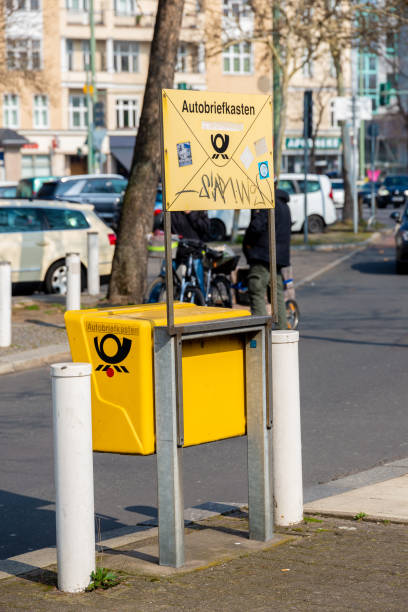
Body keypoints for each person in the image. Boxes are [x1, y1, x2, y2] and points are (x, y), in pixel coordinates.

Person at [243, 186, 292, 328]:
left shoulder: (265, 201)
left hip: (262, 254)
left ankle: (261, 333)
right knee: (276, 294)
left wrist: (248, 244)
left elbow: (256, 227)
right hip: (278, 256)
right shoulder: (283, 204)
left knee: (256, 289)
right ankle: (282, 331)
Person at [171, 210, 211, 295]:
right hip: (177, 251)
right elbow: (166, 226)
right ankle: (153, 302)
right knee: (165, 274)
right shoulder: (174, 210)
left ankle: (202, 304)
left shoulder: (199, 210)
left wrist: (191, 214)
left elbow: (206, 228)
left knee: (199, 282)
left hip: (194, 251)